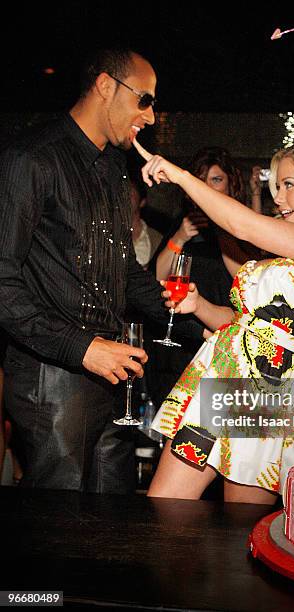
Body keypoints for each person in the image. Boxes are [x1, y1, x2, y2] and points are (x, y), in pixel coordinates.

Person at [140, 140, 294, 504]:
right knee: (165, 504)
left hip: (270, 390)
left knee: (236, 532)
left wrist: (181, 177)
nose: (278, 197)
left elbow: (244, 227)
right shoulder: (289, 249)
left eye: (288, 184)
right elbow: (249, 322)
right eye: (276, 186)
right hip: (221, 379)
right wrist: (198, 306)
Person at [0, 47, 170, 494]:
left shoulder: (115, 168)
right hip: (51, 379)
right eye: (145, 100)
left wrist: (189, 317)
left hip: (110, 374)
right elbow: (2, 280)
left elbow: (124, 271)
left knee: (110, 527)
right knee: (57, 536)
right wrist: (81, 348)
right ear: (105, 86)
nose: (150, 117)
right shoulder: (31, 159)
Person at [147, 146, 263, 409]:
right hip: (183, 338)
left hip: (224, 337)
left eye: (216, 179)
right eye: (201, 180)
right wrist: (179, 237)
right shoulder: (184, 223)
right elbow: (156, 277)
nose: (207, 187)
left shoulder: (239, 229)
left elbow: (251, 279)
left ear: (232, 185)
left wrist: (222, 229)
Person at [130, 178, 163, 270]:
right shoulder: (108, 235)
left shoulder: (156, 239)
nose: (125, 197)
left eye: (131, 193)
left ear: (142, 202)